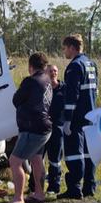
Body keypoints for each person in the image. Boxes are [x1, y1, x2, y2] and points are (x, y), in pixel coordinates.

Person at [5, 52, 53, 203]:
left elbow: (16, 100)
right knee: (36, 159)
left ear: (30, 66)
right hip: (45, 127)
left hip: (32, 128)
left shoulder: (30, 81)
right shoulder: (47, 81)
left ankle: (18, 198)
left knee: (15, 161)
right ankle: (39, 193)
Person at [59, 34, 99, 200]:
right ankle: (89, 186)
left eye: (65, 48)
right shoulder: (91, 64)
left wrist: (67, 119)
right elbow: (95, 90)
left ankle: (75, 188)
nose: (64, 52)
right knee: (89, 152)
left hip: (77, 116)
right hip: (90, 114)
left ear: (72, 47)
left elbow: (72, 96)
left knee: (75, 152)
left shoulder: (74, 66)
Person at [44, 64, 67, 194]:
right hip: (43, 127)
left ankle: (54, 185)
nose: (53, 73)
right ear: (45, 73)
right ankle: (34, 186)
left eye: (55, 71)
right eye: (50, 71)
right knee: (38, 157)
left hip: (58, 127)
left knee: (55, 158)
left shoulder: (64, 88)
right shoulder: (43, 88)